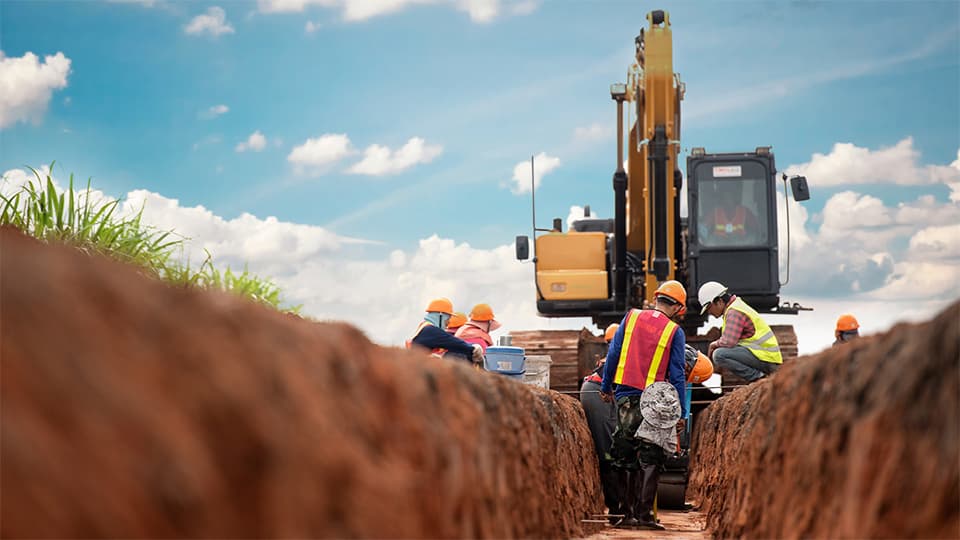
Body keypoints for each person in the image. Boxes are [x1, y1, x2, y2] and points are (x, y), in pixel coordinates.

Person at [600, 281, 688, 530]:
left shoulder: (631, 317)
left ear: (656, 298)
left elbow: (614, 353)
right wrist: (679, 411)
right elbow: (677, 374)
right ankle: (645, 516)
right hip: (656, 401)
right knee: (651, 456)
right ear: (678, 308)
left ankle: (624, 515)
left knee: (624, 454)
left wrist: (607, 386)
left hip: (626, 395)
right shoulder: (674, 331)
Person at [698, 281, 782, 382]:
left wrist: (713, 344)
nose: (709, 312)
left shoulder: (733, 312)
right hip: (765, 357)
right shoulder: (735, 307)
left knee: (719, 355)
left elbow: (728, 342)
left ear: (719, 301)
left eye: (709, 308)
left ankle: (758, 378)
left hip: (766, 358)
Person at [580, 323, 621, 523]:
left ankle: (619, 507)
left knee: (614, 447)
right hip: (596, 393)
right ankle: (616, 510)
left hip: (602, 392)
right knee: (608, 451)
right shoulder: (617, 356)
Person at [407, 297, 483, 364]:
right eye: (448, 318)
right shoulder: (430, 330)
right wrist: (473, 348)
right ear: (440, 316)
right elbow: (453, 342)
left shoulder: (425, 327)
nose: (448, 322)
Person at [700, 181, 761, 246]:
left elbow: (756, 231)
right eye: (725, 196)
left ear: (735, 197)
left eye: (730, 196)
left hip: (740, 248)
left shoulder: (744, 212)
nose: (727, 199)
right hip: (719, 248)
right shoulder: (715, 212)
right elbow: (704, 229)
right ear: (722, 199)